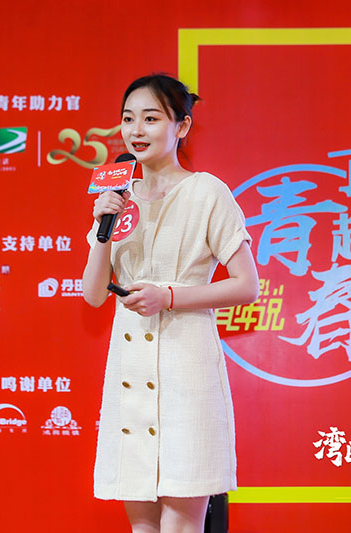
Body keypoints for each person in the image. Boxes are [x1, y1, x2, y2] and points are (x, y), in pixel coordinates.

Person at [82, 74, 259, 533]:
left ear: (181, 126)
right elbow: (93, 294)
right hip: (130, 370)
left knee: (181, 524)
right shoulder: (118, 197)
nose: (136, 130)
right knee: (142, 526)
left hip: (186, 367)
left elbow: (247, 285)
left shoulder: (207, 192)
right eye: (128, 119)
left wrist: (170, 296)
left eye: (151, 119)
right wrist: (102, 227)